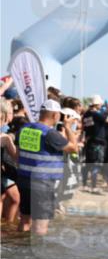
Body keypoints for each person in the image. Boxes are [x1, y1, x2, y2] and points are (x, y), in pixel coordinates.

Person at [15, 99, 80, 235]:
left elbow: (18, 153)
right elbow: (73, 149)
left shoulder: (24, 129)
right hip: (42, 183)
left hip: (24, 180)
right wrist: (68, 127)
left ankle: (19, 250)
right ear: (55, 115)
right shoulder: (50, 134)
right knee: (40, 225)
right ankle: (36, 253)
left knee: (24, 220)